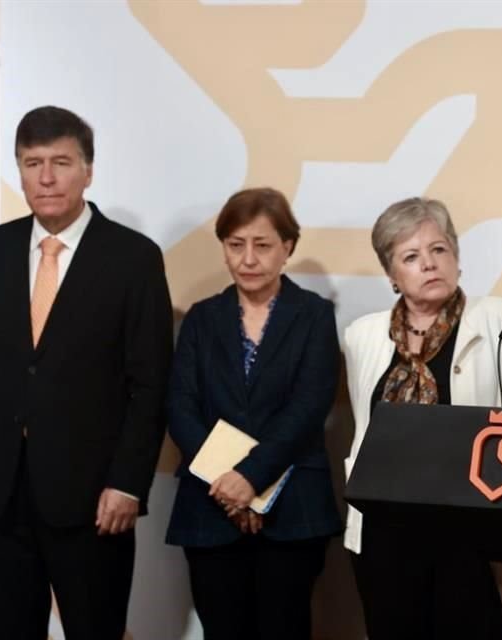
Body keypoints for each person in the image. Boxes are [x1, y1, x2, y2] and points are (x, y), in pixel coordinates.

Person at [0, 106, 174, 639]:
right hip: (1, 491)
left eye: (61, 162)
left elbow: (151, 382)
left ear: (88, 171)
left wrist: (127, 483)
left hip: (95, 497)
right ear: (19, 171)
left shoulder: (133, 258)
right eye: (32, 162)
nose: (46, 177)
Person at [342, 197, 502, 639]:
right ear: (392, 274)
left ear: (456, 256)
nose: (429, 264)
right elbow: (363, 431)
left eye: (439, 249)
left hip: (470, 527)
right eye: (411, 256)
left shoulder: (500, 321)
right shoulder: (362, 336)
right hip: (384, 530)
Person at [165, 187, 342, 640]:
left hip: (293, 506)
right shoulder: (201, 319)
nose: (248, 259)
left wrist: (251, 477)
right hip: (210, 505)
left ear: (288, 247)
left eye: (262, 245)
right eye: (235, 244)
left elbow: (309, 407)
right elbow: (180, 406)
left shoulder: (315, 316)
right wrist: (229, 483)